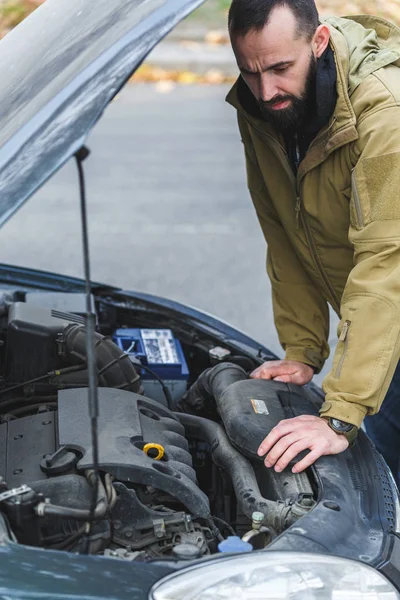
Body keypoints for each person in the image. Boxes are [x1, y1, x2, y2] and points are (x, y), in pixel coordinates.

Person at [226, 0, 400, 482]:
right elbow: (286, 230)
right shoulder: (258, 107)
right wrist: (303, 351)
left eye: (282, 68)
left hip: (390, 302)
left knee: (374, 476)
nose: (267, 90)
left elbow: (387, 262)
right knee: (377, 476)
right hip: (381, 327)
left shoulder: (386, 113)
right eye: (250, 71)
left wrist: (341, 411)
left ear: (318, 42)